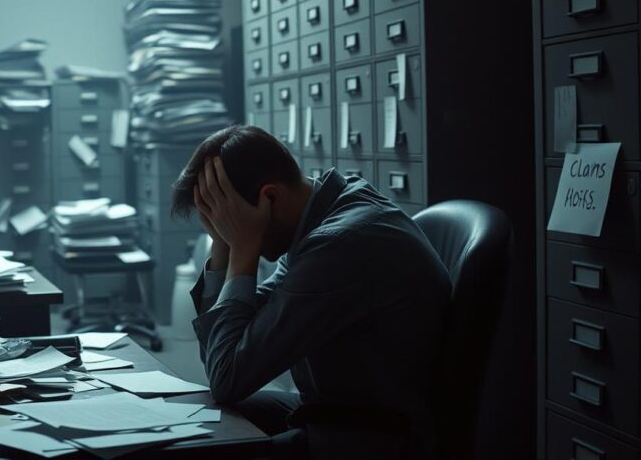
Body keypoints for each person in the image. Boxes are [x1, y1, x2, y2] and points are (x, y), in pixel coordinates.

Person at [171, 125, 451, 460]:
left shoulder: (340, 244)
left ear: (268, 198)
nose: (224, 230)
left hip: (372, 437)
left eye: (224, 221)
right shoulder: (326, 213)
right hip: (335, 409)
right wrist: (222, 246)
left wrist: (241, 247)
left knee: (203, 448)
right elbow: (229, 345)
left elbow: (228, 376)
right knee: (198, 415)